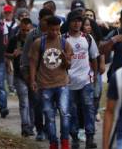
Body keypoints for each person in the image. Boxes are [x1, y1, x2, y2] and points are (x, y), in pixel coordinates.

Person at [29, 16, 73, 149]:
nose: (54, 32)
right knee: (49, 116)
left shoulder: (65, 43)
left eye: (57, 29)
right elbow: (33, 63)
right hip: (45, 85)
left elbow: (68, 66)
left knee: (65, 113)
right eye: (52, 29)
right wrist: (32, 80)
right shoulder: (39, 43)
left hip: (62, 84)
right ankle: (53, 142)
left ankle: (64, 141)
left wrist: (66, 59)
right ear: (47, 28)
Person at [65, 10, 99, 149]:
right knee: (71, 110)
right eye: (74, 20)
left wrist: (95, 75)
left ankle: (90, 137)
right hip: (69, 81)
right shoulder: (63, 39)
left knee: (89, 108)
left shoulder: (88, 38)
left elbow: (94, 57)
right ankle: (74, 138)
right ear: (69, 22)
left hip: (86, 80)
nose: (77, 23)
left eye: (79, 21)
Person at [21, 8, 54, 141]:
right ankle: (40, 129)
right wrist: (27, 76)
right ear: (40, 20)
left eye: (49, 20)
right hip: (36, 76)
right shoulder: (33, 35)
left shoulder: (56, 34)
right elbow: (25, 57)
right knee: (38, 104)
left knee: (50, 106)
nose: (47, 23)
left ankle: (48, 129)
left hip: (52, 76)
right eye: (45, 20)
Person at [6, 18, 34, 137]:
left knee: (33, 102)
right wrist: (12, 55)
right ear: (20, 28)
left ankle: (32, 126)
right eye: (23, 30)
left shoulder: (35, 40)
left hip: (33, 76)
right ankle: (25, 126)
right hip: (19, 75)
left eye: (28, 30)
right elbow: (6, 53)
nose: (25, 32)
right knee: (24, 102)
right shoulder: (14, 40)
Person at [82, 17, 106, 123]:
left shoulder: (91, 38)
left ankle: (93, 115)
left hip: (93, 71)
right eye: (86, 25)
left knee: (96, 93)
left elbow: (98, 53)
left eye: (90, 25)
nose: (89, 27)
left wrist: (100, 65)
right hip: (81, 73)